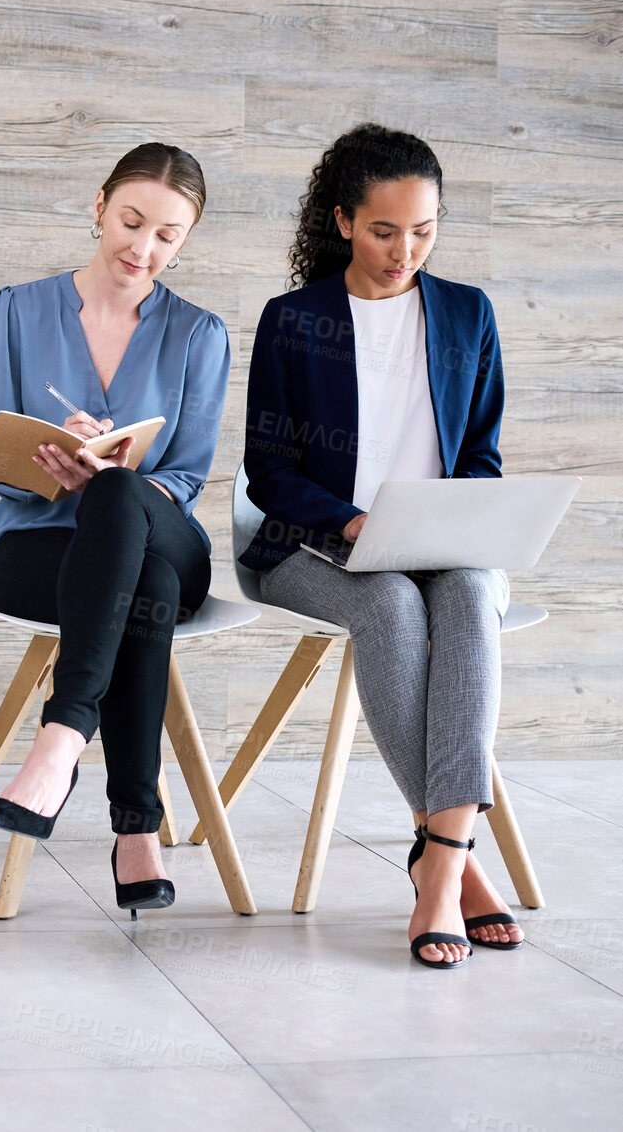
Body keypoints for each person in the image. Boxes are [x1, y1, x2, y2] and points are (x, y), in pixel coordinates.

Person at [241, 122, 520, 968]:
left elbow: (481, 455)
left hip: (440, 545)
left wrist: (450, 522)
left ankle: (436, 867)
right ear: (341, 222)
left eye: (424, 230)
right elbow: (267, 472)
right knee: (390, 607)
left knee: (469, 594)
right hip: (316, 544)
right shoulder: (294, 321)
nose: (405, 251)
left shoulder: (467, 312)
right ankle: (453, 867)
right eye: (383, 230)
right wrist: (354, 524)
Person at [0, 144, 230, 918]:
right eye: (129, 221)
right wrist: (52, 459)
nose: (142, 248)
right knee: (137, 585)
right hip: (36, 544)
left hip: (165, 535)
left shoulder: (199, 333)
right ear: (97, 208)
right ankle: (135, 830)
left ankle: (60, 739)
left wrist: (122, 476)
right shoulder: (16, 311)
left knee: (122, 496)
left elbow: (188, 473)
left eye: (166, 235)